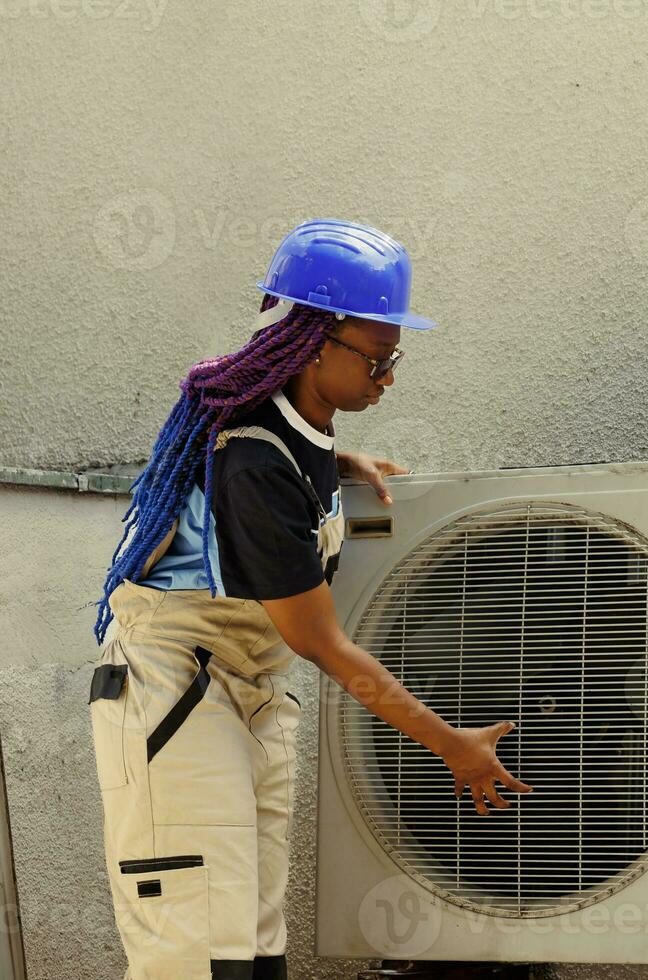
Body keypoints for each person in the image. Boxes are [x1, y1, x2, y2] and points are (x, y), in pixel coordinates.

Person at [85, 218, 533, 979]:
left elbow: (286, 466)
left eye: (396, 359)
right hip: (175, 692)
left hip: (246, 693)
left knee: (254, 950)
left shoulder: (299, 428)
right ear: (315, 342)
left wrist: (338, 461)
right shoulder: (255, 460)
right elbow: (320, 642)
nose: (387, 378)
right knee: (195, 952)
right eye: (378, 359)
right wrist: (448, 743)